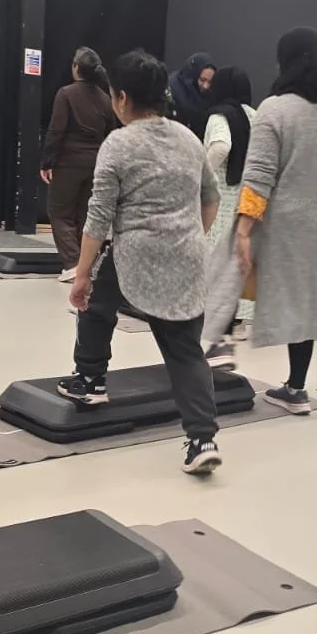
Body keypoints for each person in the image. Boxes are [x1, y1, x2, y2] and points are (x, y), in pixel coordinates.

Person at [58, 49, 224, 475]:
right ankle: (202, 438)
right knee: (185, 350)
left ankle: (90, 379)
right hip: (187, 255)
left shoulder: (118, 143)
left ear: (122, 97)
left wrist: (80, 275)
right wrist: (190, 236)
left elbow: (98, 218)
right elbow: (211, 199)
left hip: (136, 254)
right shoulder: (188, 138)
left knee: (95, 302)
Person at [235, 27, 317, 413]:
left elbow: (258, 175)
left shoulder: (274, 109)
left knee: (230, 283)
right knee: (306, 303)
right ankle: (297, 387)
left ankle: (213, 364)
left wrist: (243, 229)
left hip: (281, 225)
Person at [40, 46, 115, 281]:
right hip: (96, 163)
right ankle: (87, 265)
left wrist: (47, 161)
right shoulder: (106, 99)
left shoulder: (66, 94)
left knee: (59, 211)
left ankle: (72, 263)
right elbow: (111, 133)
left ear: (76, 68)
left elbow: (56, 130)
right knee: (86, 215)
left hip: (68, 162)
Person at [201, 65, 257, 369]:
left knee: (216, 259)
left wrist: (203, 172)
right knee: (242, 261)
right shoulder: (255, 115)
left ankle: (216, 326)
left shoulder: (219, 116)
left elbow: (221, 146)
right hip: (249, 198)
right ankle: (240, 321)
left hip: (221, 196)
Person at [167, 52, 216, 138]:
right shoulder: (172, 89)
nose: (206, 86)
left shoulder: (209, 94)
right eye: (202, 80)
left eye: (210, 82)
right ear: (193, 75)